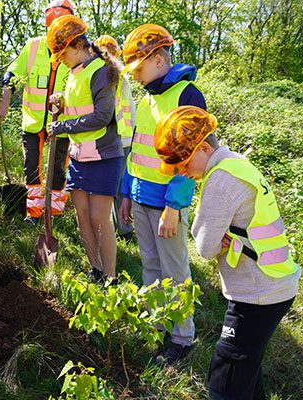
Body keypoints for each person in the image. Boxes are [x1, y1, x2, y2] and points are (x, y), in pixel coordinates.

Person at [154, 106, 301, 400]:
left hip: (258, 294)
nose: (182, 172)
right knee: (247, 375)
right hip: (275, 284)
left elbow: (205, 247)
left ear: (204, 148)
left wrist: (209, 231)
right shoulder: (235, 163)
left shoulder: (220, 181)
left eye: (183, 163)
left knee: (225, 379)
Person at [118, 24, 206, 364]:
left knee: (175, 270)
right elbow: (137, 154)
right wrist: (127, 192)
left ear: (157, 59)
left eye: (139, 68)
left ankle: (182, 340)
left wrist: (174, 206)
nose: (136, 76)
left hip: (167, 204)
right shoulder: (145, 99)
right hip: (139, 197)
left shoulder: (187, 96)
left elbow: (193, 156)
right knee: (151, 268)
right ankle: (158, 327)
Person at [46, 16, 124, 280]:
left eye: (63, 53)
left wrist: (64, 127)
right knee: (82, 216)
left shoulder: (101, 71)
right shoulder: (73, 72)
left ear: (78, 45)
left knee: (99, 219)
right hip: (79, 155)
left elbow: (102, 115)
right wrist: (60, 102)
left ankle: (110, 277)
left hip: (104, 155)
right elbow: (79, 105)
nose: (61, 59)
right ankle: (96, 269)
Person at [0, 0, 75, 225]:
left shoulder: (76, 52)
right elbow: (11, 76)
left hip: (62, 124)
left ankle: (55, 213)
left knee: (59, 167)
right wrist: (3, 105)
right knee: (31, 166)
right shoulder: (33, 47)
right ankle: (34, 213)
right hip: (33, 122)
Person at [94, 34, 135, 240]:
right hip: (124, 138)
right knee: (119, 187)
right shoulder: (121, 75)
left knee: (109, 187)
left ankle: (115, 230)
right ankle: (123, 231)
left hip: (111, 138)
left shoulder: (102, 74)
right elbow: (132, 110)